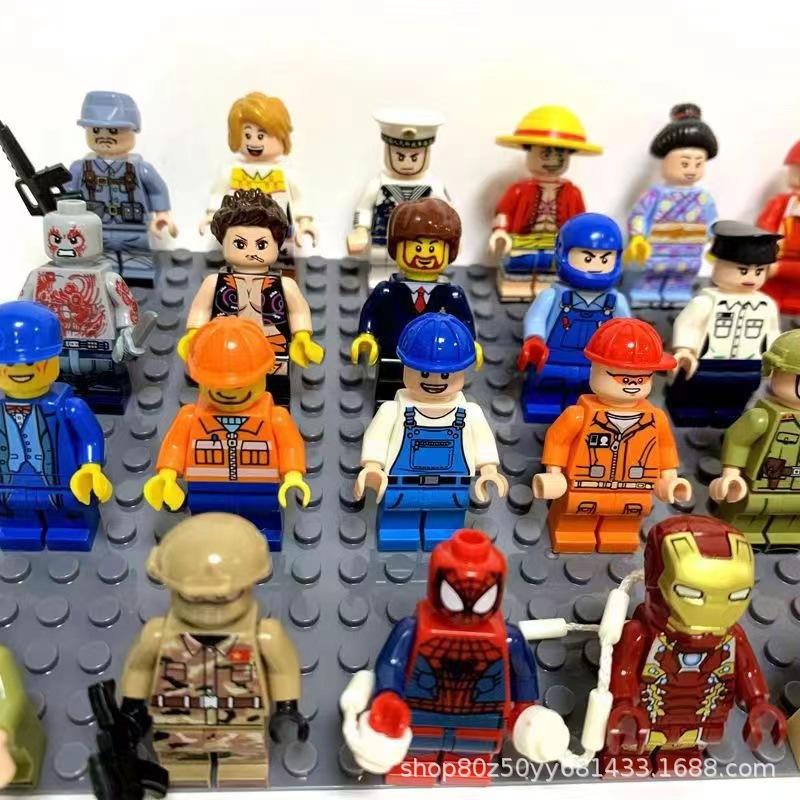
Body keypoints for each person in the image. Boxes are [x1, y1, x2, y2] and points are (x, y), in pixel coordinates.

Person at [517, 212, 631, 423]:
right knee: (547, 383)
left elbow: (626, 328)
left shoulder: (616, 300)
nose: (596, 265)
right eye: (588, 258)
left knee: (587, 388)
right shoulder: (552, 295)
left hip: (596, 361)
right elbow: (536, 318)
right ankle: (544, 403)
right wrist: (534, 339)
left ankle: (583, 408)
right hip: (554, 357)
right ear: (563, 253)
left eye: (605, 258)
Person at [626, 104, 718, 308]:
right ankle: (646, 294)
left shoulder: (704, 198)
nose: (691, 170)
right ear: (665, 162)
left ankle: (677, 294)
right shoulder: (655, 194)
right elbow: (639, 215)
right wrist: (638, 236)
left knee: (683, 275)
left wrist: (716, 242)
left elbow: (712, 222)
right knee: (651, 274)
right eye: (685, 163)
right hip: (657, 248)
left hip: (690, 250)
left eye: (698, 164)